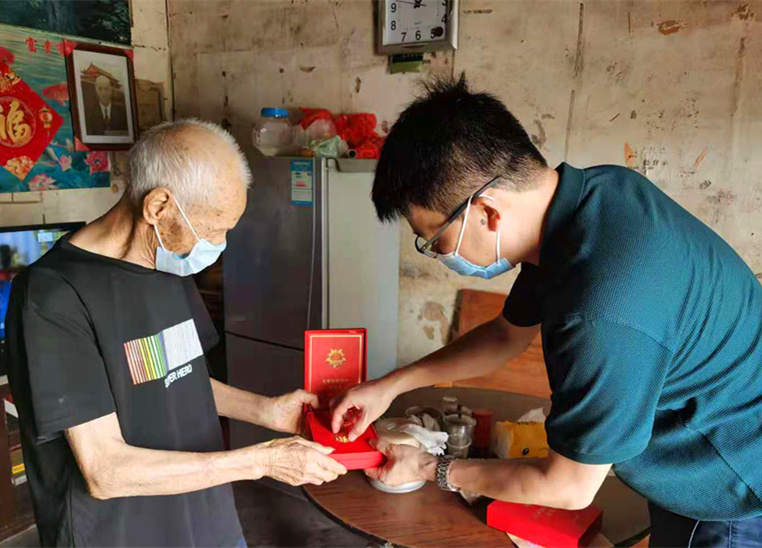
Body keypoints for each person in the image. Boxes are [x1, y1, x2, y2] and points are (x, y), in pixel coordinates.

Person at [330, 75, 762, 547]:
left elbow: (568, 487)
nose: (438, 255)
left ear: (487, 213)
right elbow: (506, 335)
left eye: (435, 240)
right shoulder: (593, 201)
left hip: (731, 484)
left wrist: (433, 469)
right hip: (703, 446)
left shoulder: (601, 307)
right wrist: (390, 385)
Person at [6, 119, 346, 547]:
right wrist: (262, 461)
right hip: (125, 536)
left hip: (208, 522)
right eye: (214, 229)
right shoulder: (52, 297)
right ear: (158, 207)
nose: (218, 244)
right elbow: (104, 470)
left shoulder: (168, 263)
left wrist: (269, 412)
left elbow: (179, 379)